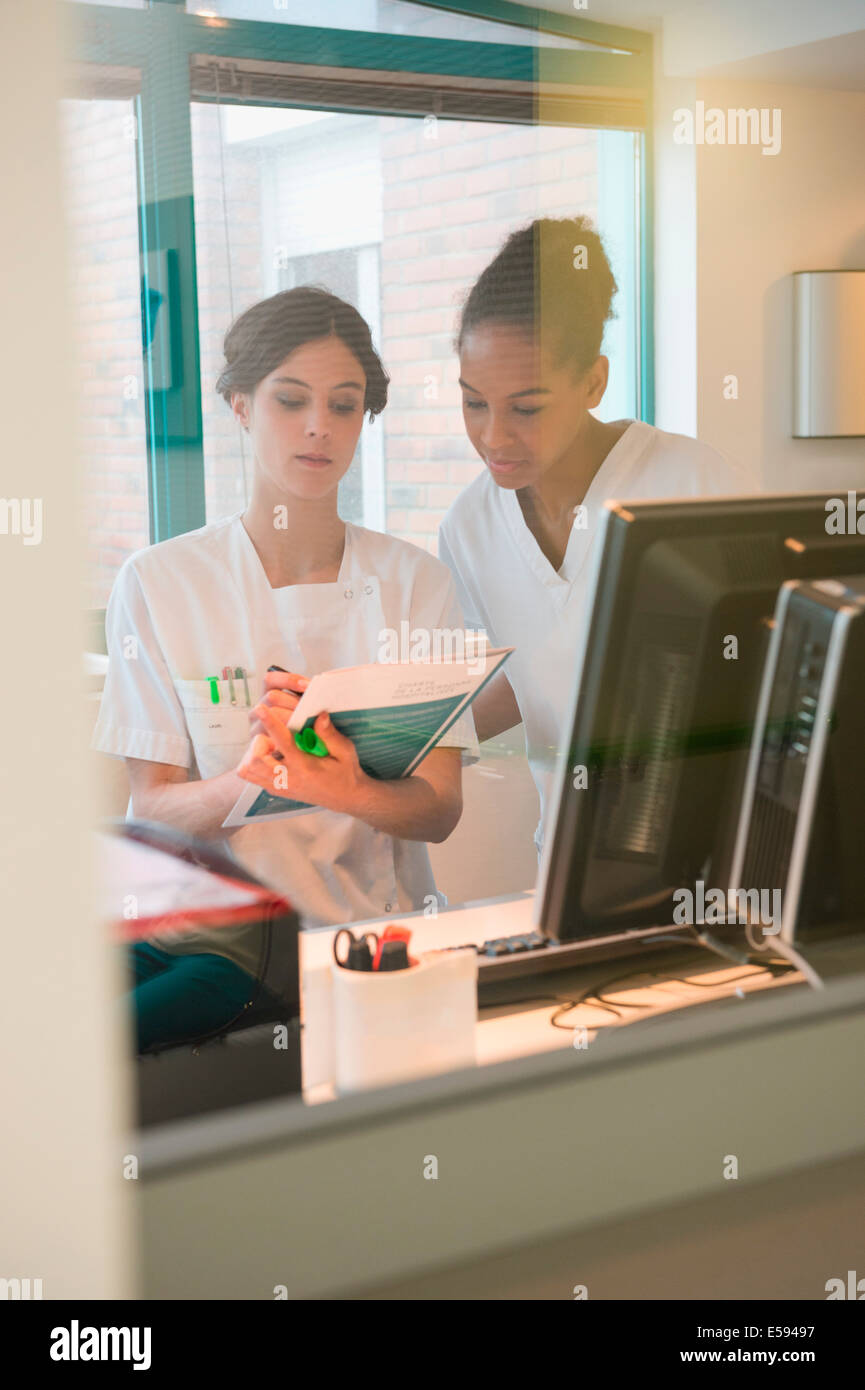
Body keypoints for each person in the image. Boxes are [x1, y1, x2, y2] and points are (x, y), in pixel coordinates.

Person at [93, 286, 476, 1052]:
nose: (317, 427)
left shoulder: (415, 584)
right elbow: (152, 809)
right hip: (192, 925)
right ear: (239, 403)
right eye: (290, 400)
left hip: (335, 934)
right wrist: (259, 781)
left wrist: (348, 789)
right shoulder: (161, 582)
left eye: (344, 406)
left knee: (92, 1052)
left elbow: (437, 808)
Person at [438, 216, 758, 855]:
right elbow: (528, 675)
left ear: (593, 381)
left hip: (716, 850)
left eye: (526, 408)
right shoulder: (468, 527)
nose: (494, 436)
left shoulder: (692, 483)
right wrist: (385, 734)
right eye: (475, 402)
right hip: (568, 854)